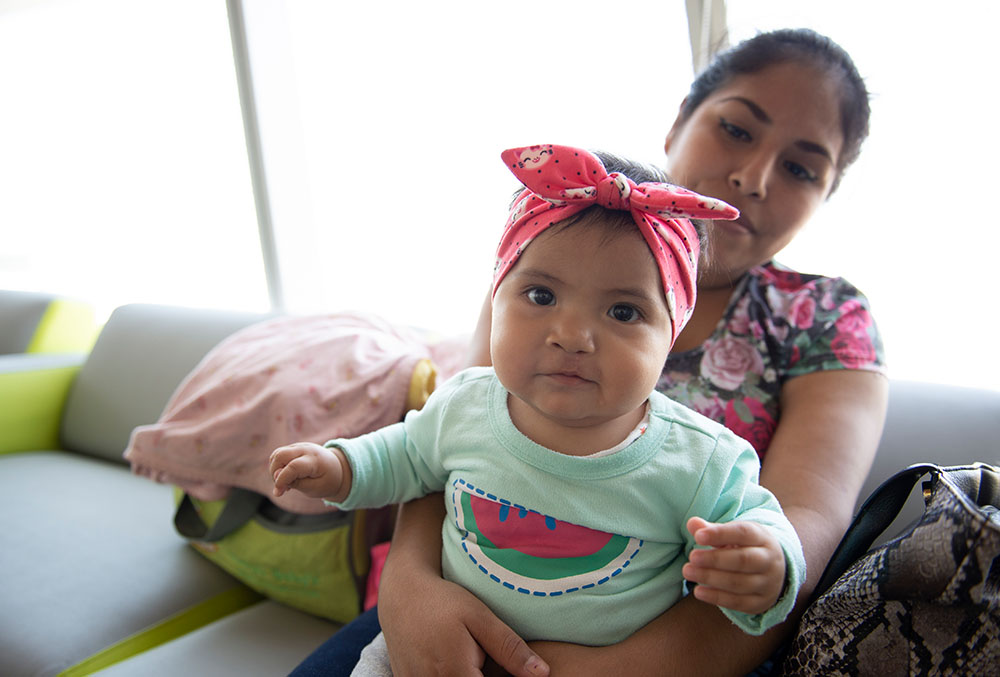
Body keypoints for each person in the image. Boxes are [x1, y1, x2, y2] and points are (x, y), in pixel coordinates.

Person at [292, 27, 888, 677]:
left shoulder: (827, 319)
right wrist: (411, 591)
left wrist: (612, 666)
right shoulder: (548, 248)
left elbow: (803, 526)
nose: (753, 176)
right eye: (737, 130)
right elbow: (447, 446)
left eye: (802, 167)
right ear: (678, 122)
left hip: (677, 647)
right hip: (447, 603)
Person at [273, 144, 807, 674]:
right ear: (497, 297)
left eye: (623, 310)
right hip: (433, 649)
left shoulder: (701, 459)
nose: (572, 335)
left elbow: (760, 518)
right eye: (541, 296)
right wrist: (341, 466)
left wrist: (768, 564)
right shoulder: (464, 403)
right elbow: (406, 456)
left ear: (671, 336)